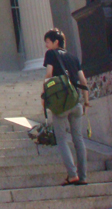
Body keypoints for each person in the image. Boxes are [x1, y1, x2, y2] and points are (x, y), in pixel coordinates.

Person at [43, 28, 91, 186]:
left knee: (62, 139)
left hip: (61, 105)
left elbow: (49, 75)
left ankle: (72, 174)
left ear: (56, 42)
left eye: (48, 42)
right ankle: (83, 177)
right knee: (78, 140)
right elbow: (83, 81)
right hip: (76, 102)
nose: (46, 46)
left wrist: (44, 94)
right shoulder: (73, 57)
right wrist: (86, 102)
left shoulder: (51, 54)